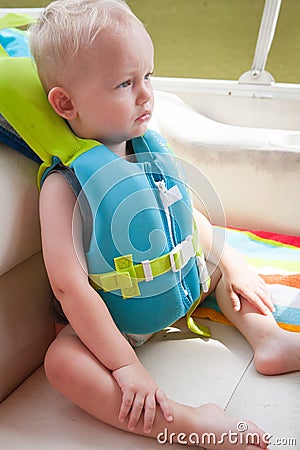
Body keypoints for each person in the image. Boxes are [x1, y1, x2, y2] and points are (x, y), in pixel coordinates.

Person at [29, 0, 300, 448]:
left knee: (226, 272)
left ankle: (268, 337)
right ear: (65, 102)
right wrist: (124, 366)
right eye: (124, 83)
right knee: (62, 364)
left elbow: (187, 221)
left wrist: (231, 264)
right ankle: (184, 422)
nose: (145, 95)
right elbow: (68, 288)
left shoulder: (148, 150)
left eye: (148, 77)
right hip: (113, 322)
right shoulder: (64, 186)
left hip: (180, 285)